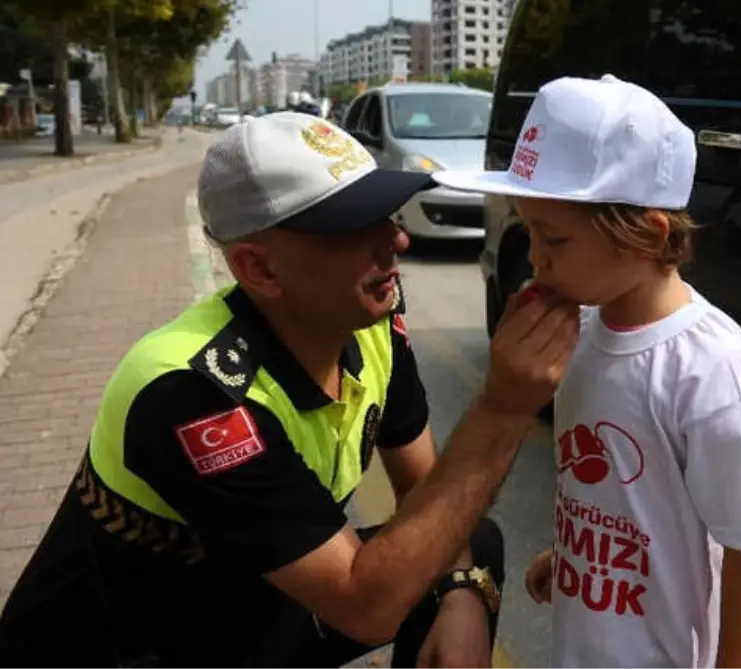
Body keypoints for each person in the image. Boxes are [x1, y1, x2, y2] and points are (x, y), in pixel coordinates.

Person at [0, 111, 581, 669]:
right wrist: (504, 408)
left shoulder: (370, 319)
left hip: (251, 606)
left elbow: (425, 488)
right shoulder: (192, 392)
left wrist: (461, 592)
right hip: (142, 648)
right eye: (353, 226)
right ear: (259, 268)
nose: (394, 242)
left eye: (388, 212)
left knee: (471, 545)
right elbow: (365, 607)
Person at [433, 74, 741, 668]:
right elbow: (621, 496)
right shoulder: (580, 330)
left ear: (645, 235)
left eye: (555, 237)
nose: (534, 256)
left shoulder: (709, 368)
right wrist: (575, 558)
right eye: (530, 229)